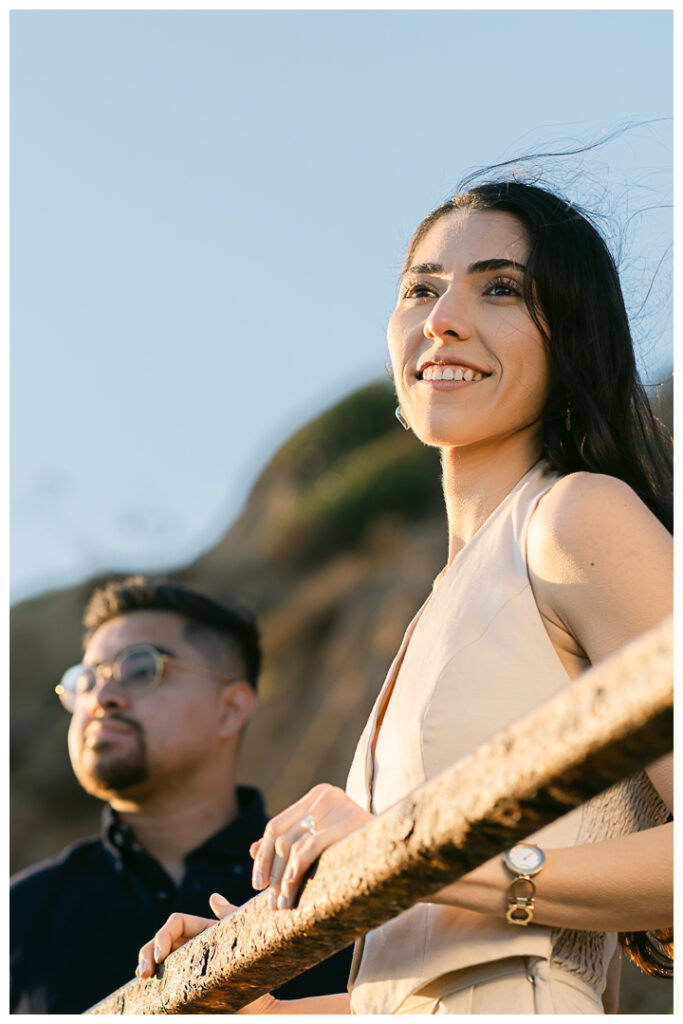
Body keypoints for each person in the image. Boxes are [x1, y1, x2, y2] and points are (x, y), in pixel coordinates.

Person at [138, 176, 673, 1014]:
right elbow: (409, 989)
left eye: (499, 288)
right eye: (420, 289)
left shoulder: (576, 517)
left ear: (568, 333)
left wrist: (415, 853)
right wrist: (242, 998)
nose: (442, 316)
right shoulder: (441, 602)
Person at [10, 576, 352, 1014]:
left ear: (230, 708)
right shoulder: (17, 919)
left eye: (139, 668)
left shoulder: (330, 873)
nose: (103, 697)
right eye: (86, 680)